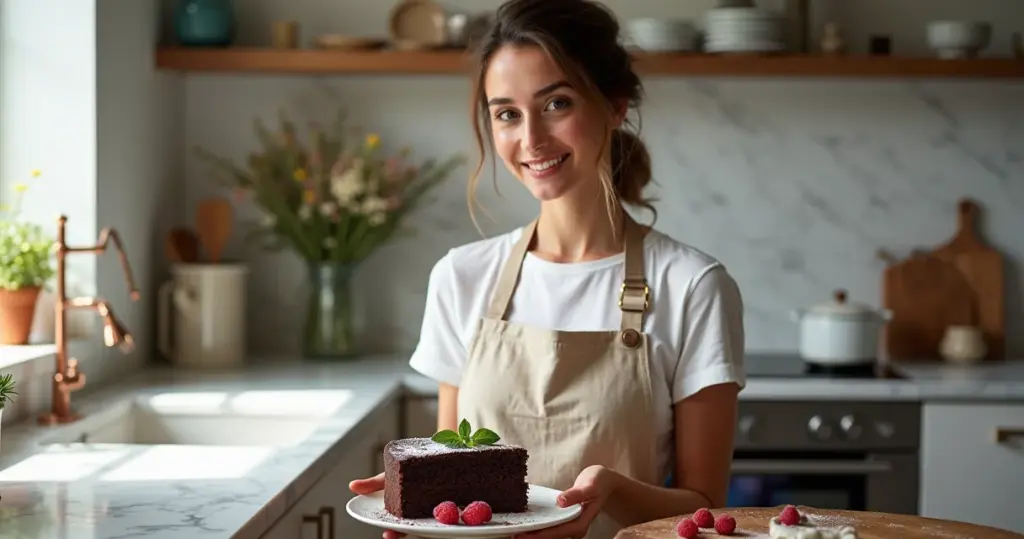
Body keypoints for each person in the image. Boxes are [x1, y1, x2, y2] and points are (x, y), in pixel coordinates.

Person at [349, 0, 746, 537]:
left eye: (556, 103)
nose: (530, 139)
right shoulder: (462, 277)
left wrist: (612, 490)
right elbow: (452, 467)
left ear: (614, 105)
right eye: (507, 113)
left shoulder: (693, 285)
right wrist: (418, 504)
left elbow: (706, 507)